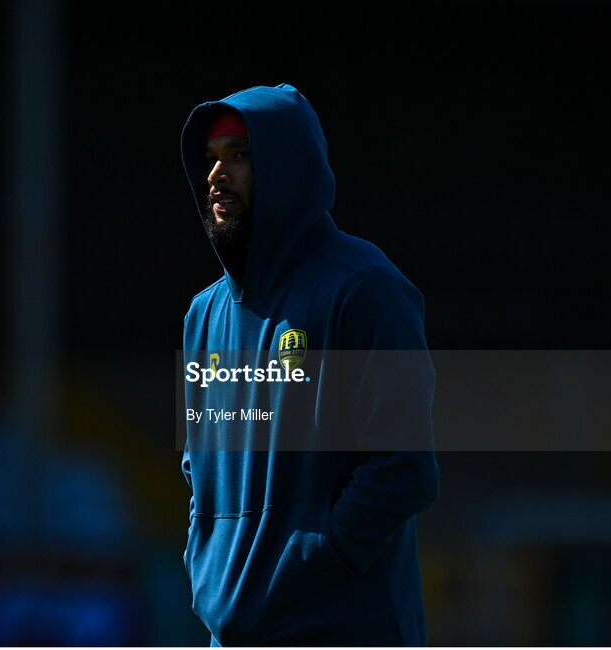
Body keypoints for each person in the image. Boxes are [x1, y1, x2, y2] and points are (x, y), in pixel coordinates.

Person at [179, 84, 439, 646]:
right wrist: (209, 569)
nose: (217, 175)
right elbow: (198, 471)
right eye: (211, 159)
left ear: (288, 166)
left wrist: (322, 552)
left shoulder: (365, 290)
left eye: (240, 156)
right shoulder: (203, 315)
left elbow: (403, 469)